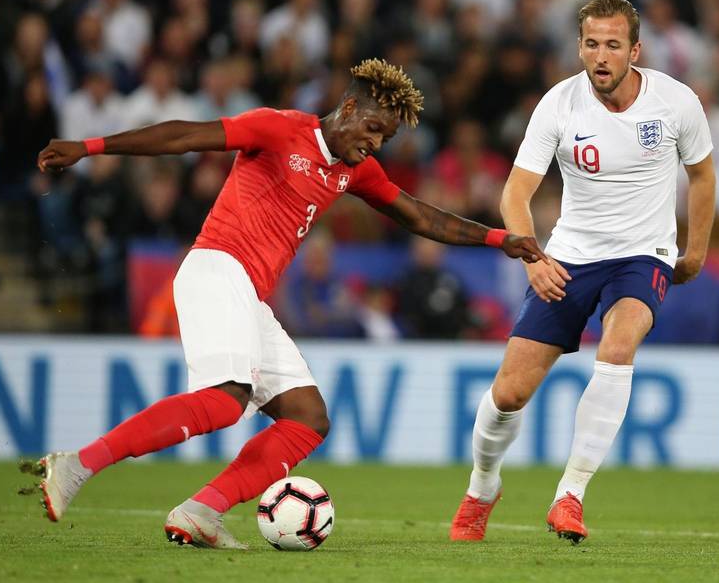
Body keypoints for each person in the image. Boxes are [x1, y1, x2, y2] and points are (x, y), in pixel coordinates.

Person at [28, 59, 544, 549]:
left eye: (384, 138)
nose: (373, 144)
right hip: (216, 266)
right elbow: (186, 136)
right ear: (346, 110)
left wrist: (500, 239)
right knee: (226, 400)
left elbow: (420, 217)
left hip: (248, 295)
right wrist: (90, 146)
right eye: (370, 129)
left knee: (307, 417)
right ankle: (77, 465)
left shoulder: (353, 170)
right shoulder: (279, 128)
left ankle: (202, 510)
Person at [449, 0, 716, 544]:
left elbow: (703, 176)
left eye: (613, 45)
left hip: (644, 255)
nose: (601, 55)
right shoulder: (559, 104)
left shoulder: (675, 102)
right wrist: (534, 257)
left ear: (634, 50)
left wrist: (695, 252)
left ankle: (569, 495)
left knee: (617, 349)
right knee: (509, 395)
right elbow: (516, 192)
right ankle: (482, 488)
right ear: (579, 47)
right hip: (570, 255)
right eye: (591, 44)